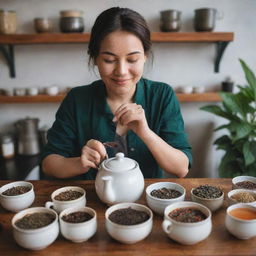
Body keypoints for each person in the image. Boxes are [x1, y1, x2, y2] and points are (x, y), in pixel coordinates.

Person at [41, 7, 192, 180]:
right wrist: (79, 163)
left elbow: (181, 168)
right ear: (95, 58)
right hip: (92, 202)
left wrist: (145, 132)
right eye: (109, 60)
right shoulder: (77, 99)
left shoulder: (162, 95)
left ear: (145, 56)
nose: (121, 71)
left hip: (146, 203)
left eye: (132, 59)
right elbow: (49, 163)